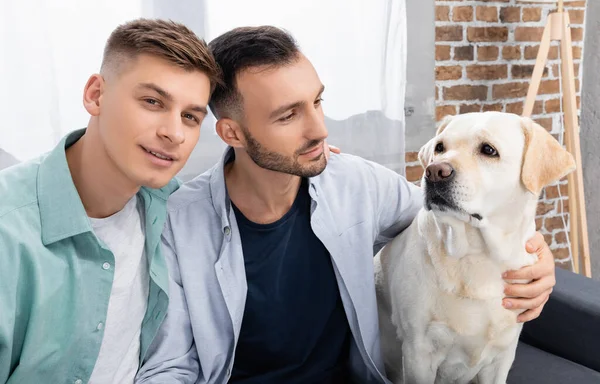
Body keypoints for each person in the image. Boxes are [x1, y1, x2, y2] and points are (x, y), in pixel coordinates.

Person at [136, 26, 556, 384]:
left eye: (316, 102)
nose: (319, 128)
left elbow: (452, 212)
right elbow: (169, 362)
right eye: (289, 116)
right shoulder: (180, 221)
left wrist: (537, 256)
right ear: (233, 133)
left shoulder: (355, 182)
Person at [0, 18, 222, 384]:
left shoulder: (175, 208)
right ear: (95, 95)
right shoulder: (10, 229)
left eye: (190, 116)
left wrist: (315, 164)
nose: (174, 133)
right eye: (152, 101)